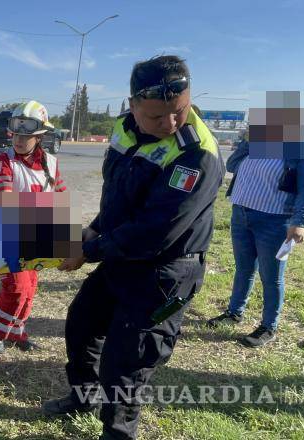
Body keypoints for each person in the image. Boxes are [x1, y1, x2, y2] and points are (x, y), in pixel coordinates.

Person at [43, 56, 225, 440]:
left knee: (128, 359)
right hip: (121, 255)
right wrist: (93, 231)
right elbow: (118, 199)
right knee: (82, 325)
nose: (172, 123)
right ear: (132, 106)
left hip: (164, 270)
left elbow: (157, 231)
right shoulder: (123, 130)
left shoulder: (197, 154)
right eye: (157, 117)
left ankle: (118, 432)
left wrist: (88, 251)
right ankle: (84, 397)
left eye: (180, 111)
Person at [207, 117, 304, 347]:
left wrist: (300, 221)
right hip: (241, 213)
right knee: (243, 269)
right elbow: (232, 165)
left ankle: (269, 326)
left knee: (271, 278)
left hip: (274, 221)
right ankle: (234, 313)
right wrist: (250, 139)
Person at [0, 100, 67, 354]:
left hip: (38, 234)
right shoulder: (3, 161)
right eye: (15, 134)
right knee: (16, 287)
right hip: (8, 234)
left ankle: (17, 332)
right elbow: (4, 202)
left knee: (30, 288)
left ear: (40, 136)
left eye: (26, 136)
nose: (18, 140)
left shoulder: (51, 164)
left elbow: (61, 199)